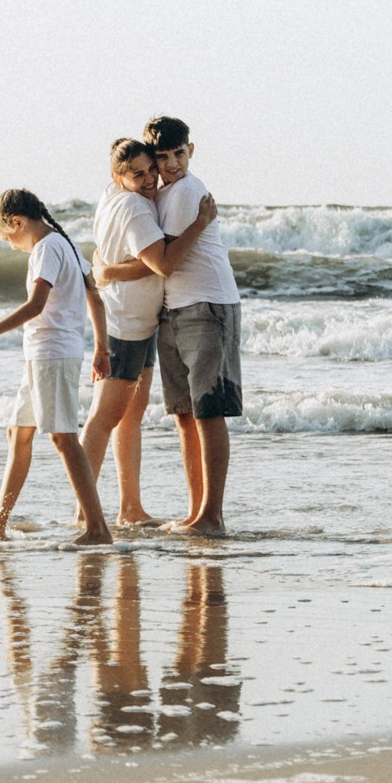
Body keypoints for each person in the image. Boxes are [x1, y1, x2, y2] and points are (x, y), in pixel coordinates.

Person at [0, 188, 113, 545]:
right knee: (19, 433)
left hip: (53, 353)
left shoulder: (46, 248)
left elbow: (35, 305)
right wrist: (101, 348)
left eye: (8, 237)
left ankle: (97, 528)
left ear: (18, 222)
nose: (12, 246)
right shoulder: (66, 245)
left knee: (63, 438)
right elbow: (94, 296)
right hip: (42, 354)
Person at [82, 138, 217, 526]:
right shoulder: (136, 208)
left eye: (150, 170)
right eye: (137, 173)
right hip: (128, 323)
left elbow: (116, 255)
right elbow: (161, 264)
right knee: (106, 417)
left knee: (129, 416)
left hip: (133, 319)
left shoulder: (111, 196)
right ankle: (84, 511)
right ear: (118, 176)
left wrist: (106, 269)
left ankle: (130, 508)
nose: (148, 179)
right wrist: (200, 223)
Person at [142, 116, 241, 534]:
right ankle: (195, 511)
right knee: (184, 413)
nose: (171, 164)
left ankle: (211, 516)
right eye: (162, 157)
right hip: (176, 308)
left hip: (207, 304)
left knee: (207, 412)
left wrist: (108, 273)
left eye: (178, 154)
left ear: (191, 150)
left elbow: (166, 258)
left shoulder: (187, 192)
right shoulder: (165, 194)